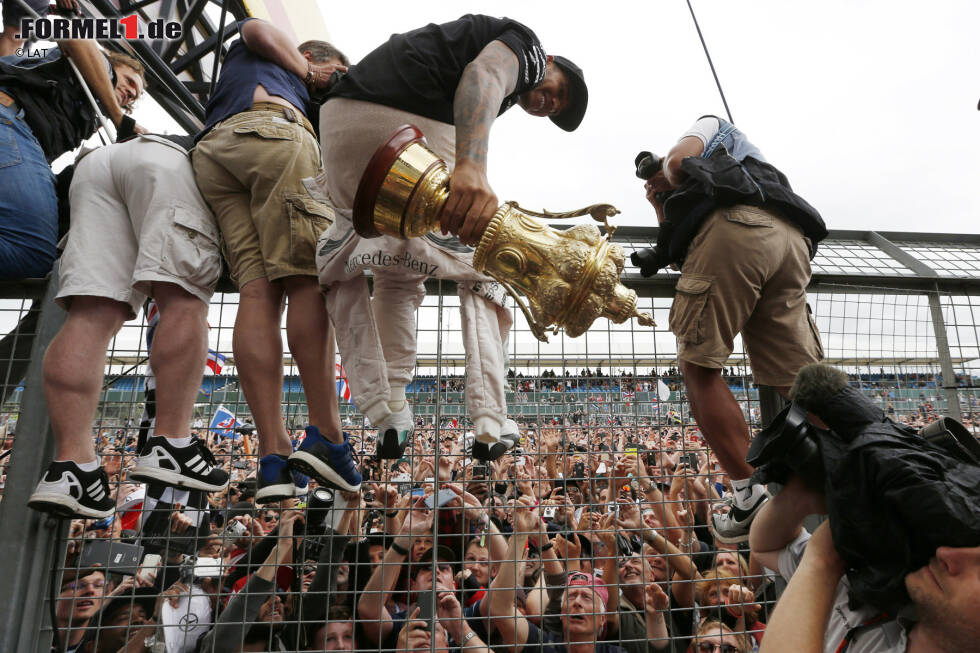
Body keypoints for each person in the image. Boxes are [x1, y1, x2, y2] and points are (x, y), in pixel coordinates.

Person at [314, 13, 588, 457]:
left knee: (396, 263)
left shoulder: (496, 87)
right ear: (548, 63)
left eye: (555, 109)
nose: (550, 102)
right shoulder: (527, 48)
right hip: (401, 128)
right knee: (491, 263)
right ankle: (489, 416)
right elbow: (483, 74)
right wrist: (471, 167)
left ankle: (389, 407)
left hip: (341, 133)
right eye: (560, 90)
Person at [636, 115, 827, 543]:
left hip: (738, 232)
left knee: (699, 366)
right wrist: (662, 204)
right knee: (802, 382)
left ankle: (747, 493)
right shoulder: (744, 174)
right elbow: (678, 245)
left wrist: (667, 170)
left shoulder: (710, 124)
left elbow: (680, 163)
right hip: (792, 243)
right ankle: (865, 465)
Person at [191, 18, 358, 502]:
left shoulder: (241, 77)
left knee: (257, 290)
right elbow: (255, 28)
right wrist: (311, 71)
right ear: (326, 61)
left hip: (215, 154)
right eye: (337, 74)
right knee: (307, 279)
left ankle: (273, 453)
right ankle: (327, 433)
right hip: (272, 135)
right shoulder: (290, 62)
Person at [28, 128, 232, 518]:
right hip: (164, 162)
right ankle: (170, 440)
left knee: (90, 314)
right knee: (183, 299)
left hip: (96, 167)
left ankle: (73, 468)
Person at [751, 477, 980, 653]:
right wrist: (801, 495)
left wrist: (821, 561)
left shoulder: (832, 570)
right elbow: (765, 548)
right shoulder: (870, 586)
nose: (946, 554)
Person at [0, 42, 144, 279]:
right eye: (129, 81)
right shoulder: (101, 66)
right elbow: (75, 38)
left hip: (19, 139)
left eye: (134, 96)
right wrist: (120, 119)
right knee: (32, 250)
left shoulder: (89, 109)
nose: (130, 92)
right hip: (11, 123)